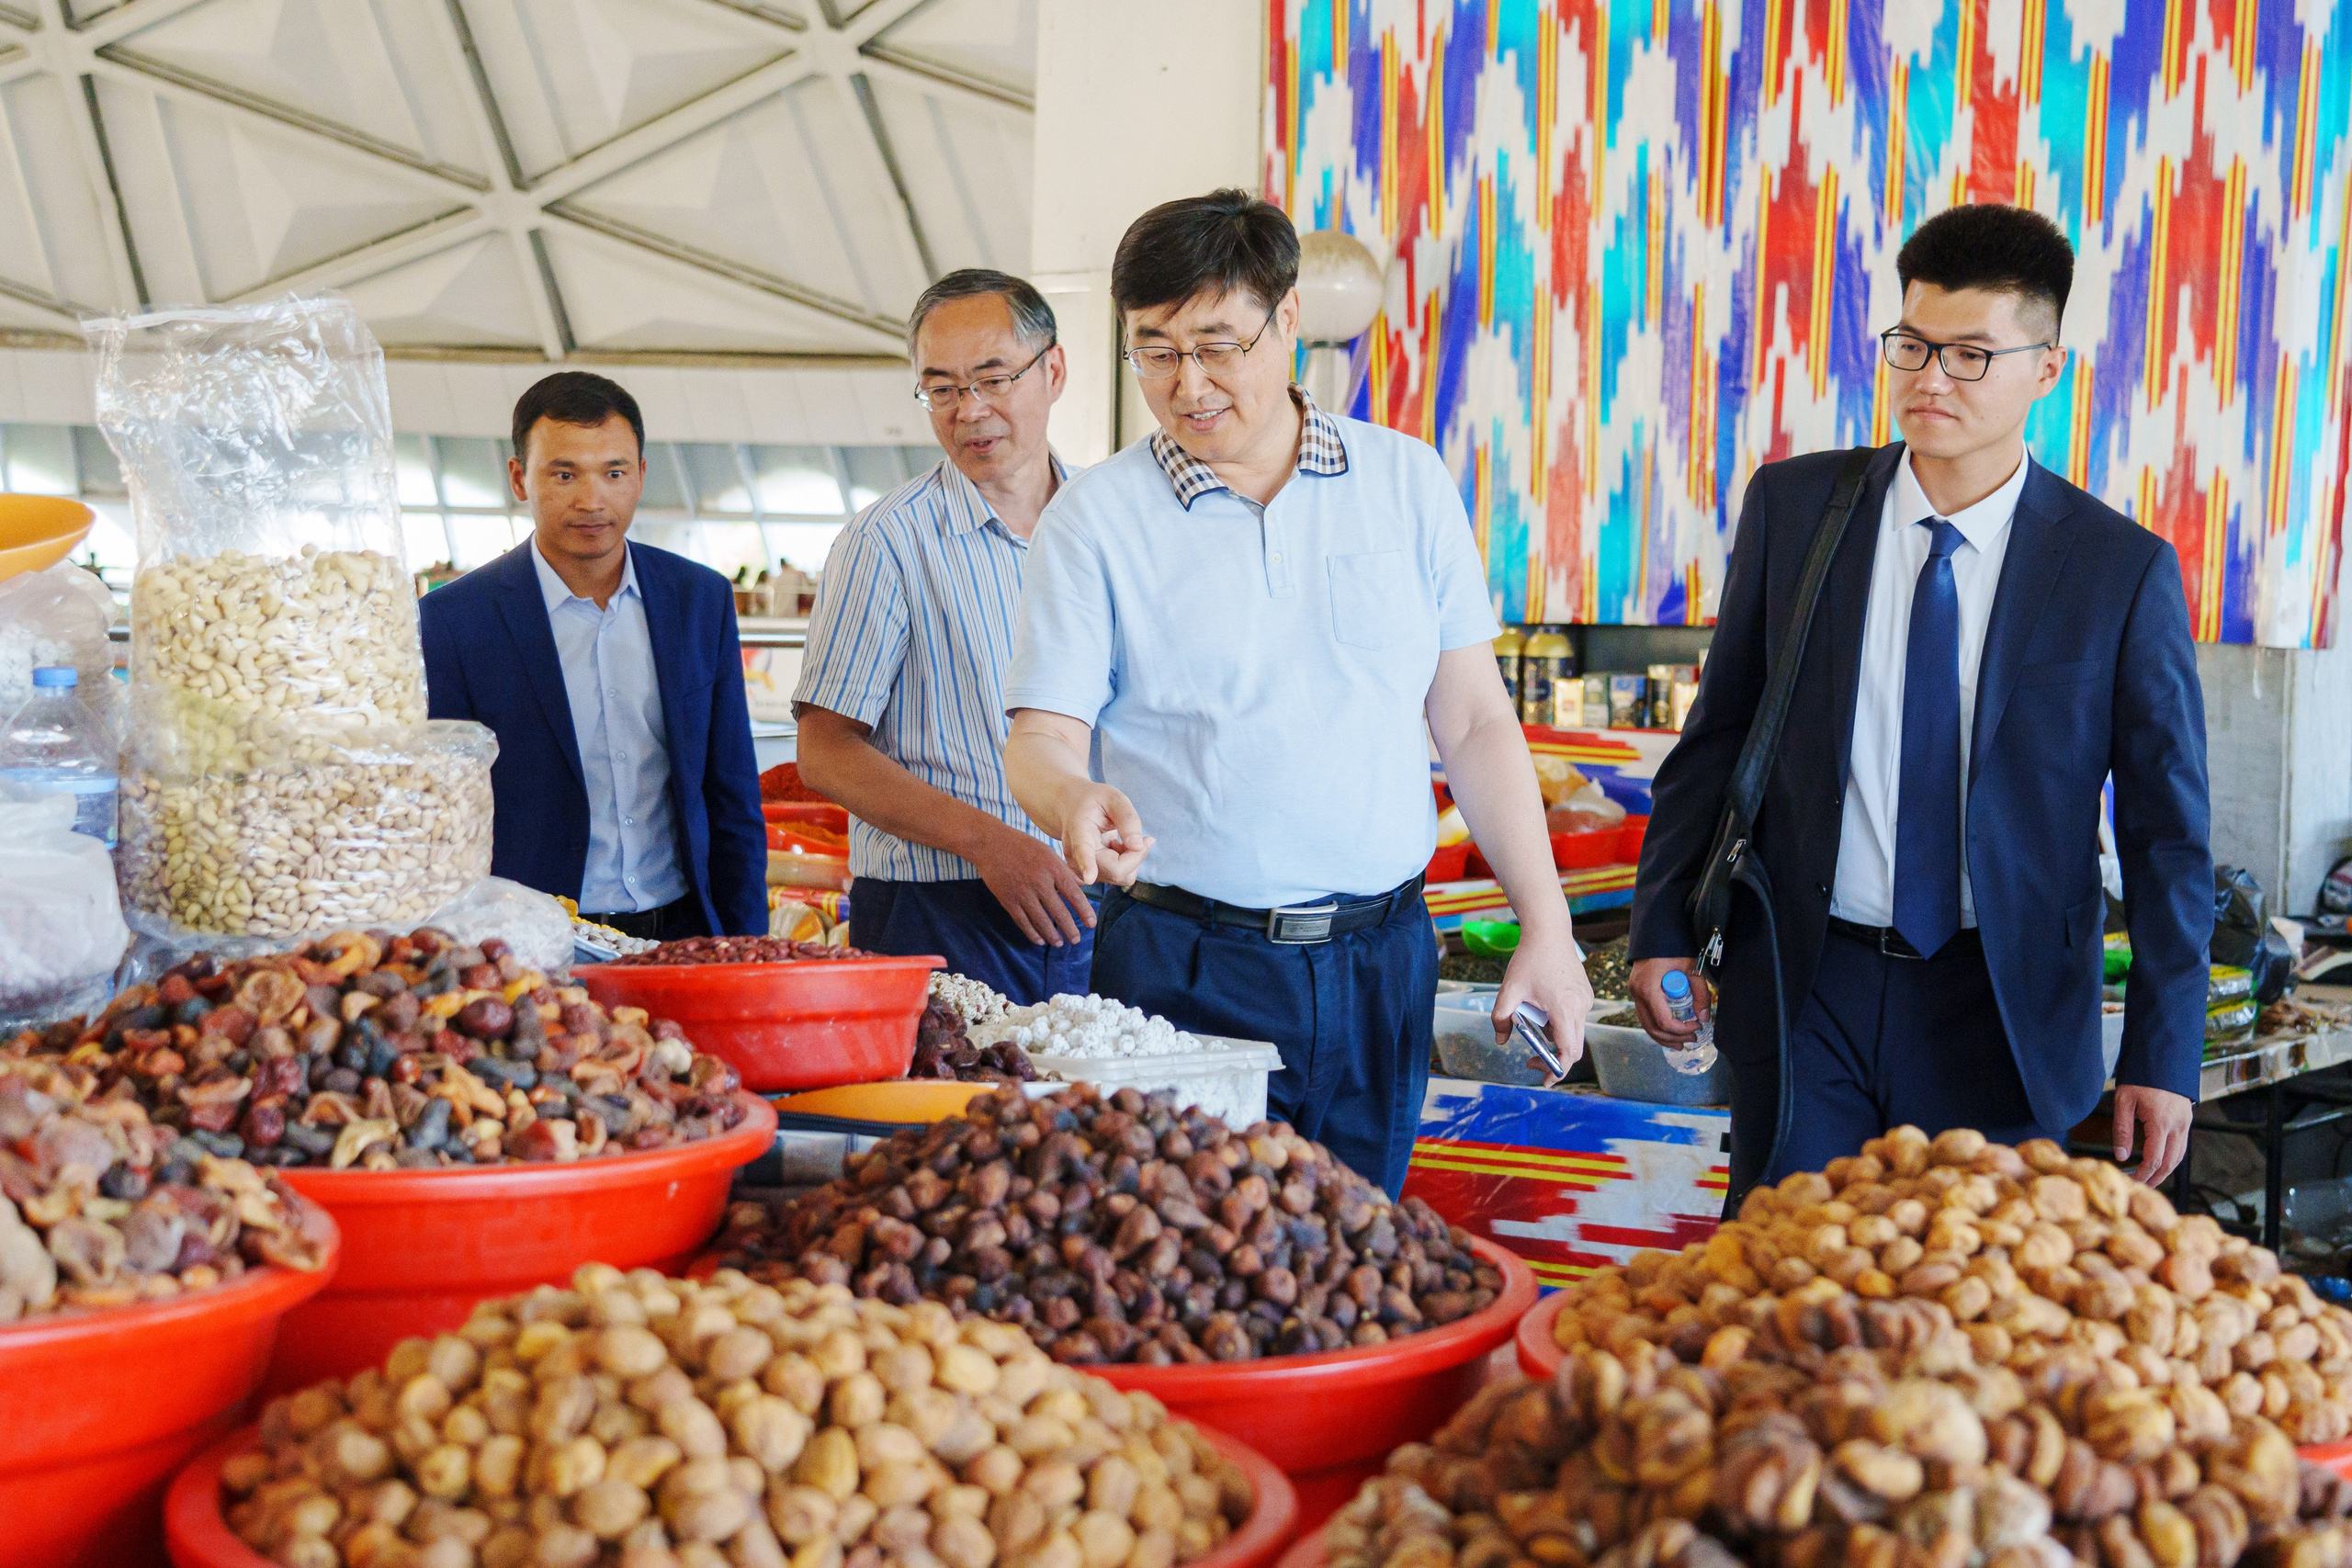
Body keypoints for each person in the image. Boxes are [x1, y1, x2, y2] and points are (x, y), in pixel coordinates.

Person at [1001, 188, 1593, 1195]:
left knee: (1359, 1248)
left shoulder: (1404, 483)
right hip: (1181, 963)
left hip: (1383, 960)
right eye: (1155, 350)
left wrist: (1547, 922)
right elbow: (1038, 739)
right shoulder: (1095, 521)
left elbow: (1474, 720)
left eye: (1218, 344)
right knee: (1191, 1256)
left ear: (1286, 324)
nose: (1187, 383)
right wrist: (1071, 798)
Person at [1627, 204, 2211, 1200]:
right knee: (1786, 1293)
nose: (1930, 379)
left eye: (1972, 355)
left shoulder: (2117, 570)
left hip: (2004, 1004)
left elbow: (2166, 834)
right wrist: (1659, 930)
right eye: (1913, 344)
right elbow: (1718, 735)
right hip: (1813, 984)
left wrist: (2163, 1051)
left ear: (2046, 368)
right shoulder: (1798, 509)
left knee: (1979, 1318)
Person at [793, 270, 1097, 1002]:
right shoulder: (887, 542)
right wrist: (989, 842)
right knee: (947, 1115)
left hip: (1095, 901)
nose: (971, 411)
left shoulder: (1105, 522)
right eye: (943, 389)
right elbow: (825, 751)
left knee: (1095, 1116)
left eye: (993, 379)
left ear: (1052, 371)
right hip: (938, 909)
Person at [419, 371, 767, 941]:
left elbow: (730, 792)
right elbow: (442, 814)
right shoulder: (456, 620)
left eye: (614, 473)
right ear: (519, 478)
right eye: (563, 474)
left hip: (680, 930)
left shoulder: (697, 599)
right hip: (527, 940)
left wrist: (748, 941)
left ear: (641, 477)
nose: (591, 500)